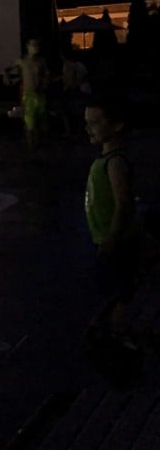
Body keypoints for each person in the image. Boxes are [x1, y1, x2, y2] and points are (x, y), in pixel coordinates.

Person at [84, 95, 141, 346]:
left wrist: (111, 239)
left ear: (116, 125)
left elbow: (124, 204)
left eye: (95, 123)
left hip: (117, 241)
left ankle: (118, 336)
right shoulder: (106, 160)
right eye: (87, 122)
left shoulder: (115, 162)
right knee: (115, 289)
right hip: (109, 238)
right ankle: (111, 328)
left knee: (120, 292)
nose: (88, 128)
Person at [4, 38, 50, 149]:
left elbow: (47, 74)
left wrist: (45, 82)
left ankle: (39, 146)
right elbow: (8, 70)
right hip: (28, 95)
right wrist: (8, 78)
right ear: (27, 46)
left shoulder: (41, 61)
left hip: (39, 94)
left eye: (37, 45)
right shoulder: (22, 61)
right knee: (30, 123)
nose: (36, 47)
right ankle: (31, 147)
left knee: (41, 122)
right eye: (33, 45)